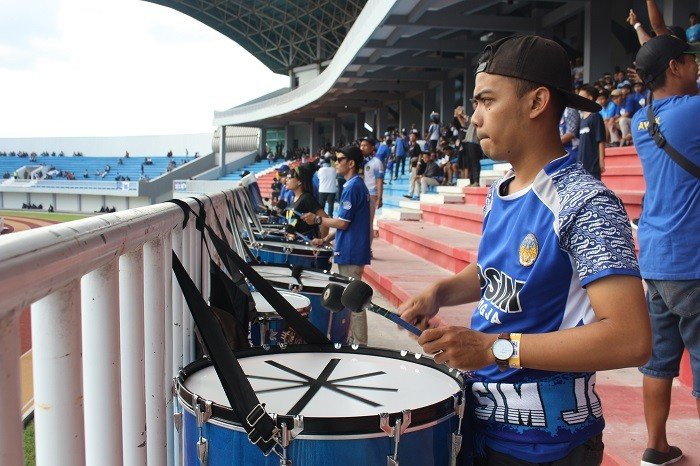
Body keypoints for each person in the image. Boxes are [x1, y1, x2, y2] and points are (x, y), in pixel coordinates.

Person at [399, 35, 651, 465]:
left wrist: (496, 349)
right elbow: (493, 272)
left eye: (486, 102)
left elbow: (631, 338)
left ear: (536, 103)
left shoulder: (584, 203)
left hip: (549, 445)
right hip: (480, 423)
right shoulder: (501, 191)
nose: (475, 119)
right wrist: (440, 292)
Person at [630, 34, 700, 466]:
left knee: (658, 363)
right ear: (674, 67)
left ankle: (656, 448)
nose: (697, 66)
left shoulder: (643, 118)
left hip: (655, 255)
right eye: (691, 60)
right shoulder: (693, 111)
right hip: (692, 258)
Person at [305, 145, 371, 345]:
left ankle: (360, 345)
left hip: (351, 252)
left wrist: (317, 220)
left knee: (354, 302)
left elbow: (343, 223)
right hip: (350, 250)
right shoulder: (355, 185)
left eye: (340, 159)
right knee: (351, 299)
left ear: (351, 163)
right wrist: (325, 239)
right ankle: (355, 340)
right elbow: (346, 225)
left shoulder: (352, 187)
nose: (336, 163)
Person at [284, 165, 328, 240]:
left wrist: (322, 240)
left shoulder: (307, 198)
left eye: (290, 177)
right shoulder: (293, 198)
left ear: (299, 181)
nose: (286, 180)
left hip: (308, 245)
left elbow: (325, 219)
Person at [577, 85, 607, 180]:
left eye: (581, 95)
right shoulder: (581, 118)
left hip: (593, 163)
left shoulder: (596, 117)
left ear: (589, 98)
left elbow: (601, 140)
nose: (578, 98)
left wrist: (601, 160)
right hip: (581, 162)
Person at [359, 138, 384, 250]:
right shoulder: (361, 162)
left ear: (372, 148)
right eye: (361, 145)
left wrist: (379, 198)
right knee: (360, 223)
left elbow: (379, 181)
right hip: (361, 195)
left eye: (365, 145)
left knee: (368, 223)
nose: (362, 148)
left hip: (371, 195)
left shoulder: (376, 162)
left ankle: (367, 249)